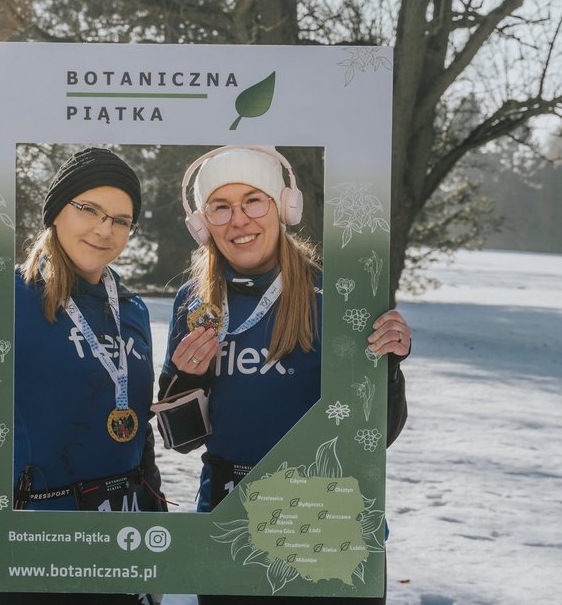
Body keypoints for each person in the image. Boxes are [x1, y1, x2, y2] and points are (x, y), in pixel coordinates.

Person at [0, 147, 164, 605]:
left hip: (123, 546)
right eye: (89, 209)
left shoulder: (133, 308)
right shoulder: (7, 296)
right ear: (56, 211)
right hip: (37, 549)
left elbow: (134, 426)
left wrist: (152, 522)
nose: (105, 229)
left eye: (121, 219)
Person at [159, 145, 410, 605]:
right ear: (202, 222)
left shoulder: (337, 297)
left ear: (284, 206)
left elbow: (379, 434)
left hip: (327, 519)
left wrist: (388, 367)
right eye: (221, 206)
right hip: (230, 519)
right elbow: (182, 440)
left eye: (253, 200)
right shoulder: (192, 302)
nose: (239, 220)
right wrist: (186, 378)